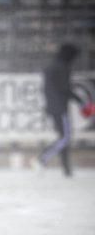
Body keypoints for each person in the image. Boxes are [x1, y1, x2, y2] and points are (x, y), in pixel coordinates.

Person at [38, 43, 84, 177]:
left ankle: (66, 168)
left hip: (52, 107)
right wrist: (81, 102)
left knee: (64, 137)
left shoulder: (50, 67)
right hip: (60, 108)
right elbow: (65, 89)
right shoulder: (63, 68)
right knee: (65, 137)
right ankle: (43, 158)